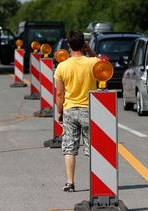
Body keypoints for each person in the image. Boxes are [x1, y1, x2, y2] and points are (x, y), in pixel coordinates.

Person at [54, 30, 98, 192]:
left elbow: (60, 94)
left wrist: (60, 112)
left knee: (70, 147)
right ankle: (98, 181)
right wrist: (90, 51)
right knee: (93, 148)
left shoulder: (62, 66)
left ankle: (70, 182)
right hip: (89, 110)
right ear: (84, 44)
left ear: (68, 45)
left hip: (70, 110)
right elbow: (104, 68)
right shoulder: (93, 63)